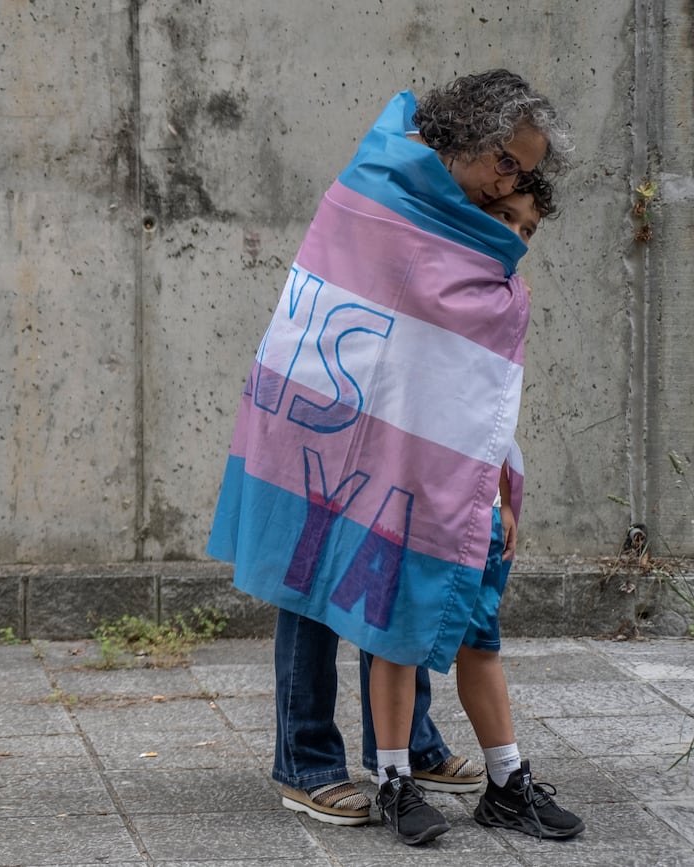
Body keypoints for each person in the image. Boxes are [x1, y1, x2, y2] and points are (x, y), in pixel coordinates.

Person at [205, 69, 574, 837]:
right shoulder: (380, 182)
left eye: (526, 171)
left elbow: (456, 357)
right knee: (313, 573)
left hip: (409, 425)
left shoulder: (478, 218)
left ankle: (408, 746)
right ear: (469, 135)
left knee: (408, 554)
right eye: (508, 160)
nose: (514, 179)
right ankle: (305, 760)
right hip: (325, 412)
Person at [370, 170, 584, 845]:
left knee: (480, 640)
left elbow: (492, 406)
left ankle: (505, 781)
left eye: (527, 230)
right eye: (507, 219)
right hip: (410, 491)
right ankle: (393, 780)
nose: (515, 237)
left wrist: (499, 493)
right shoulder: (424, 282)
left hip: (474, 501)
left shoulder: (505, 299)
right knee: (397, 640)